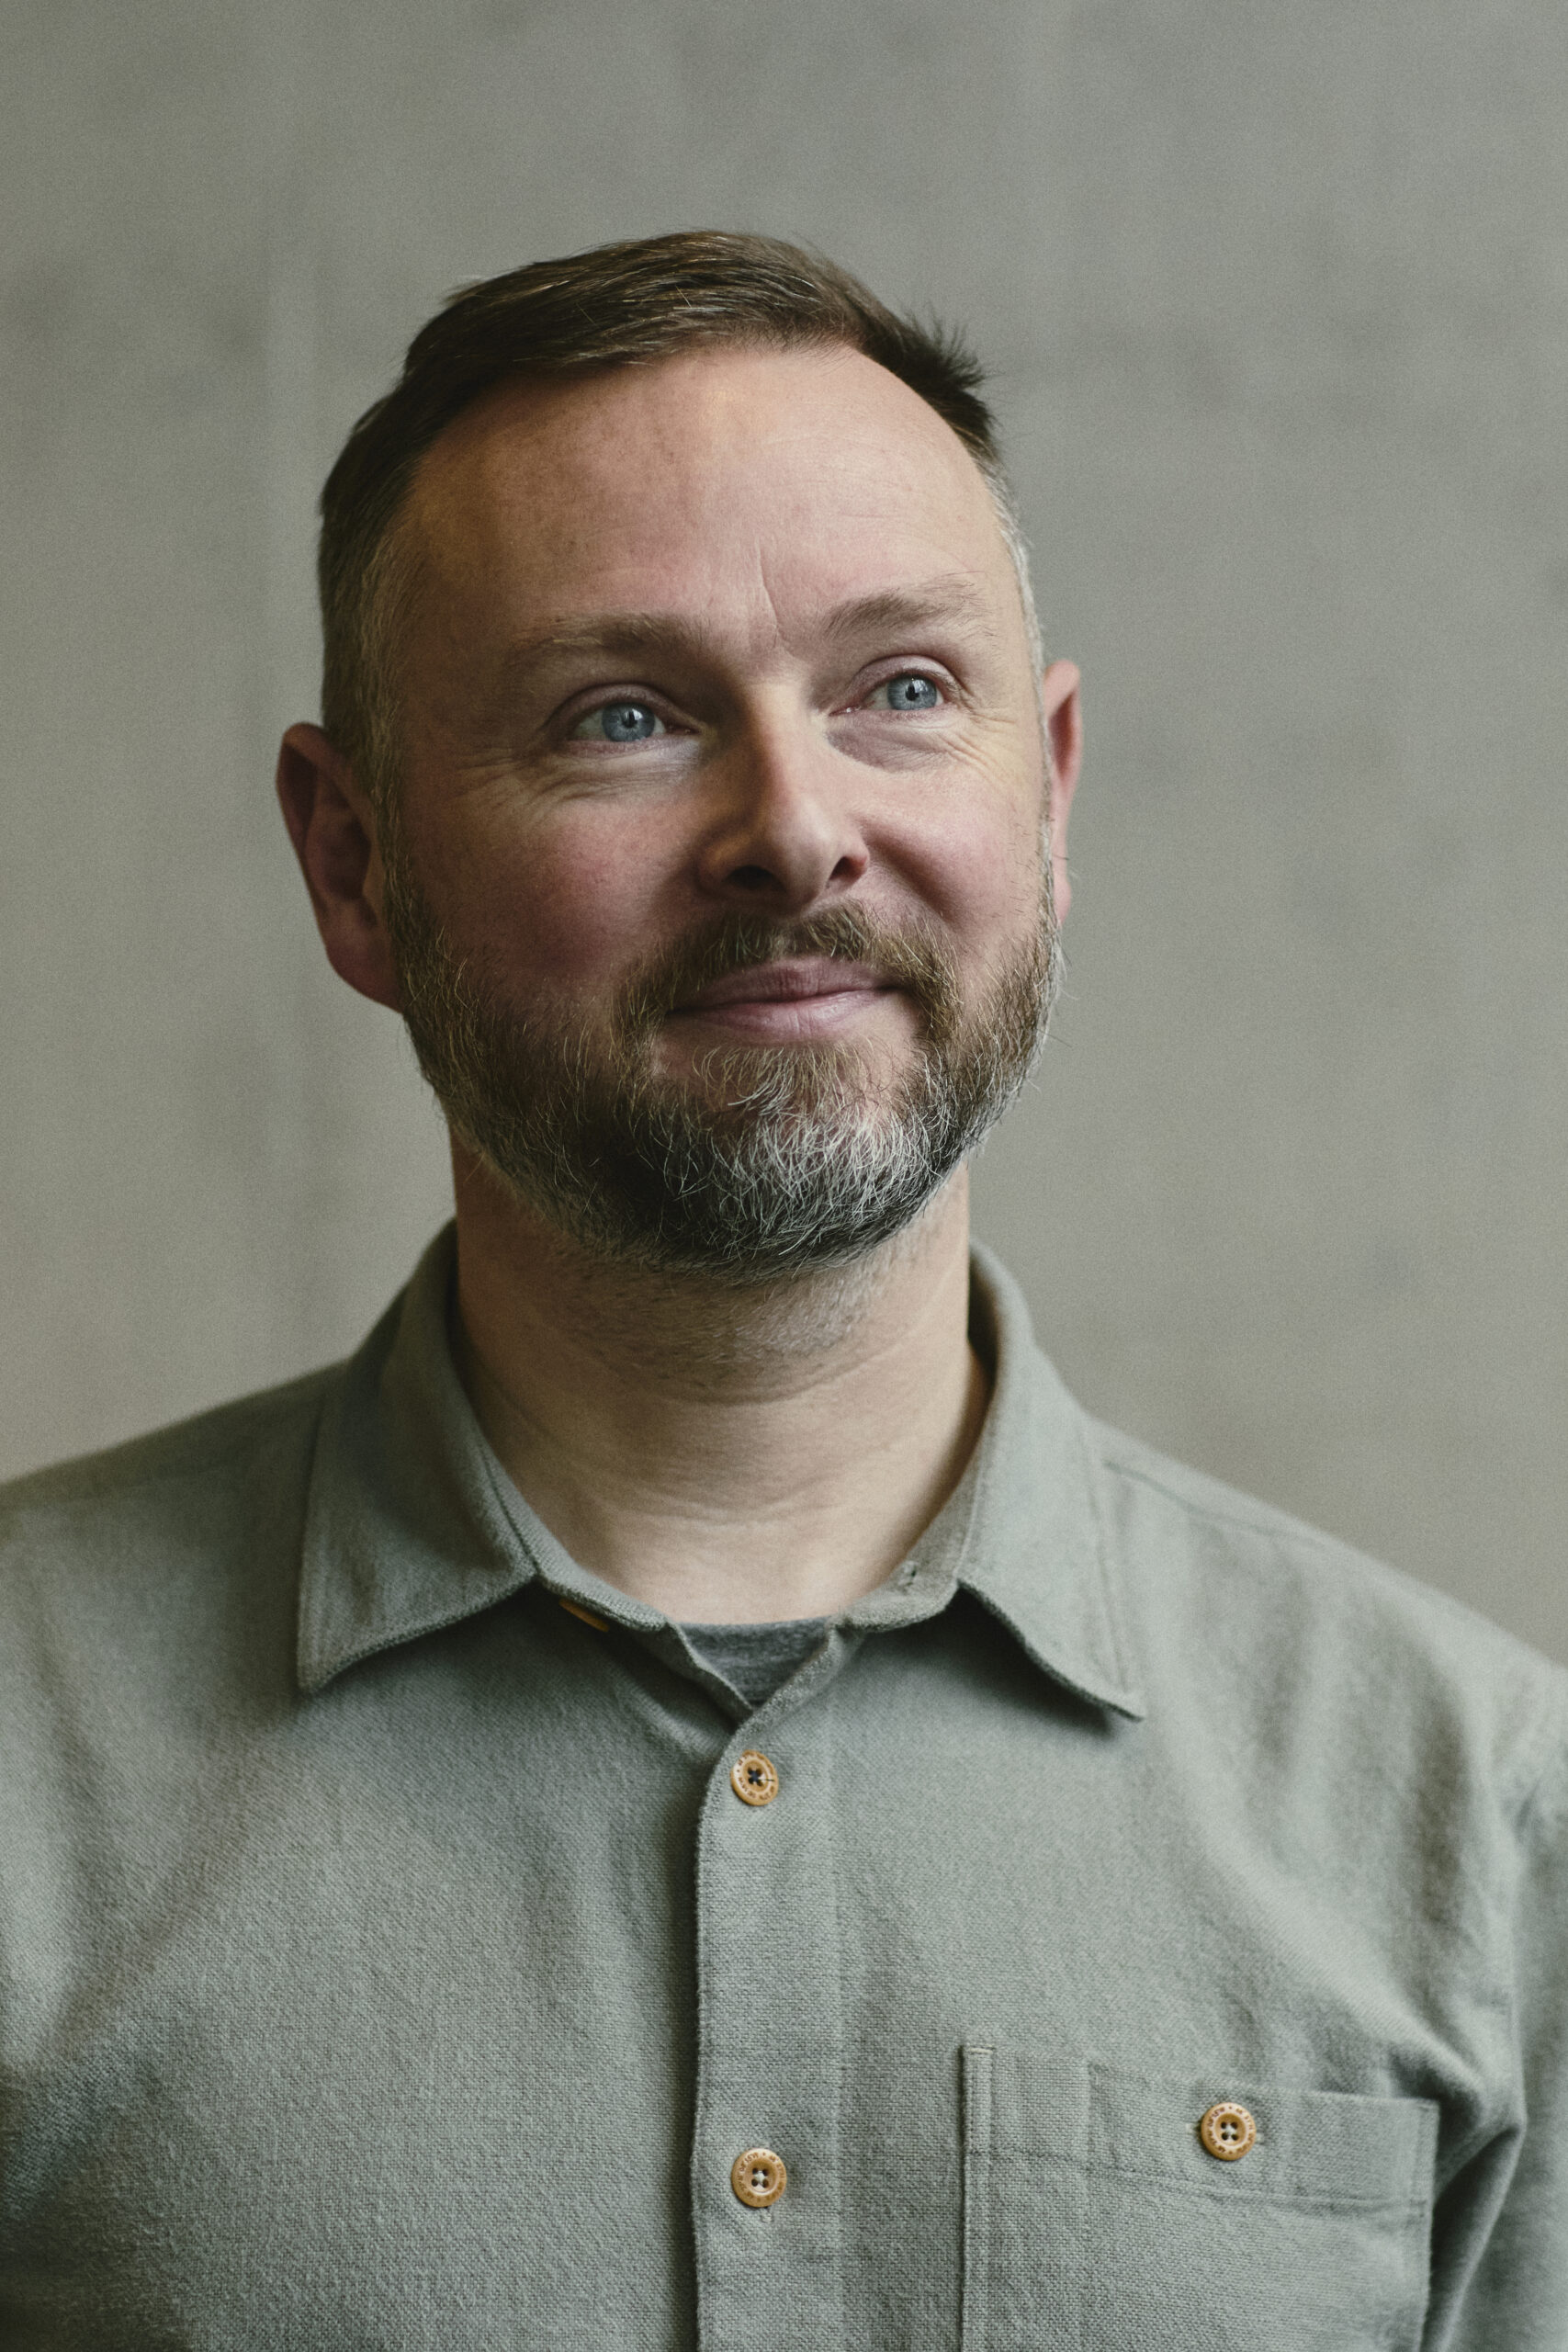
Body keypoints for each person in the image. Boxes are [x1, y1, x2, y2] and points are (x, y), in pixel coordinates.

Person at [0, 232, 1562, 2349]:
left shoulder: (1477, 1824)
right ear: (354, 865)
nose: (793, 826)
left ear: (1053, 783)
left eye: (898, 690)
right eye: (621, 714)